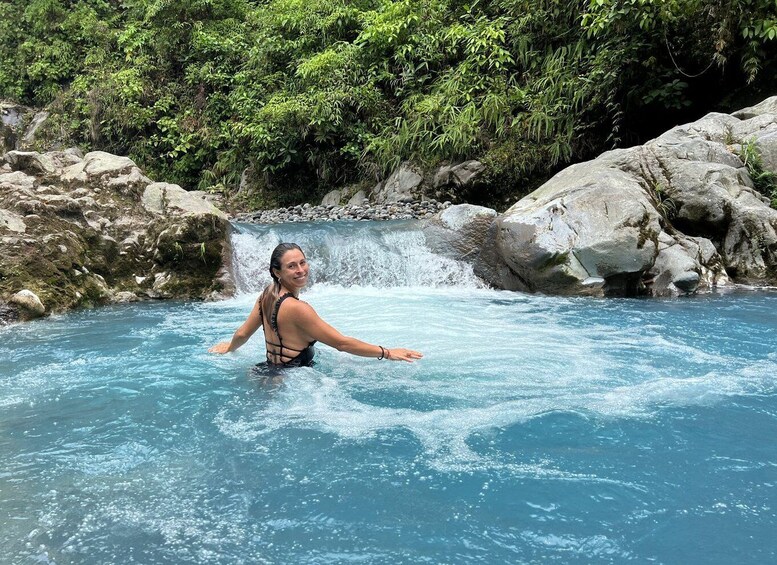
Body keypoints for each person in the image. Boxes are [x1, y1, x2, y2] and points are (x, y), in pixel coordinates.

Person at [208, 242, 423, 367]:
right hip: (295, 380)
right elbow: (342, 344)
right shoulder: (298, 309)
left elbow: (243, 334)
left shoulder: (267, 294)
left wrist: (229, 348)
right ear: (277, 272)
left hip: (268, 371)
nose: (301, 270)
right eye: (292, 266)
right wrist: (387, 352)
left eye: (302, 262)